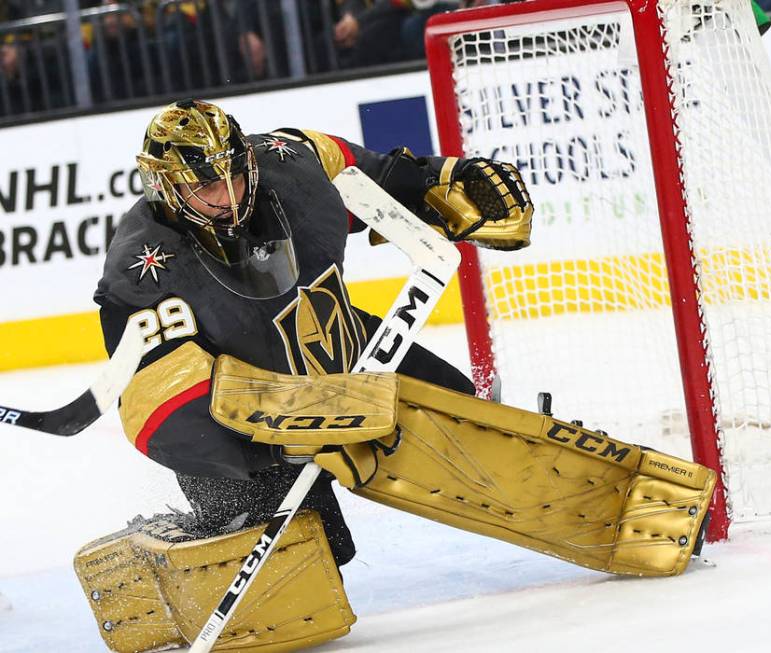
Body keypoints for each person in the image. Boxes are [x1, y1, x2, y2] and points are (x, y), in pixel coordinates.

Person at [78, 99, 714, 653]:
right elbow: (158, 407)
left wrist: (448, 183)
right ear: (166, 188)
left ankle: (629, 509)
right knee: (303, 571)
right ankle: (175, 549)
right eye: (205, 188)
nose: (228, 196)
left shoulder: (291, 161)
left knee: (467, 418)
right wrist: (281, 431)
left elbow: (380, 177)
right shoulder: (141, 270)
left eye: (234, 175)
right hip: (246, 429)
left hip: (345, 349)